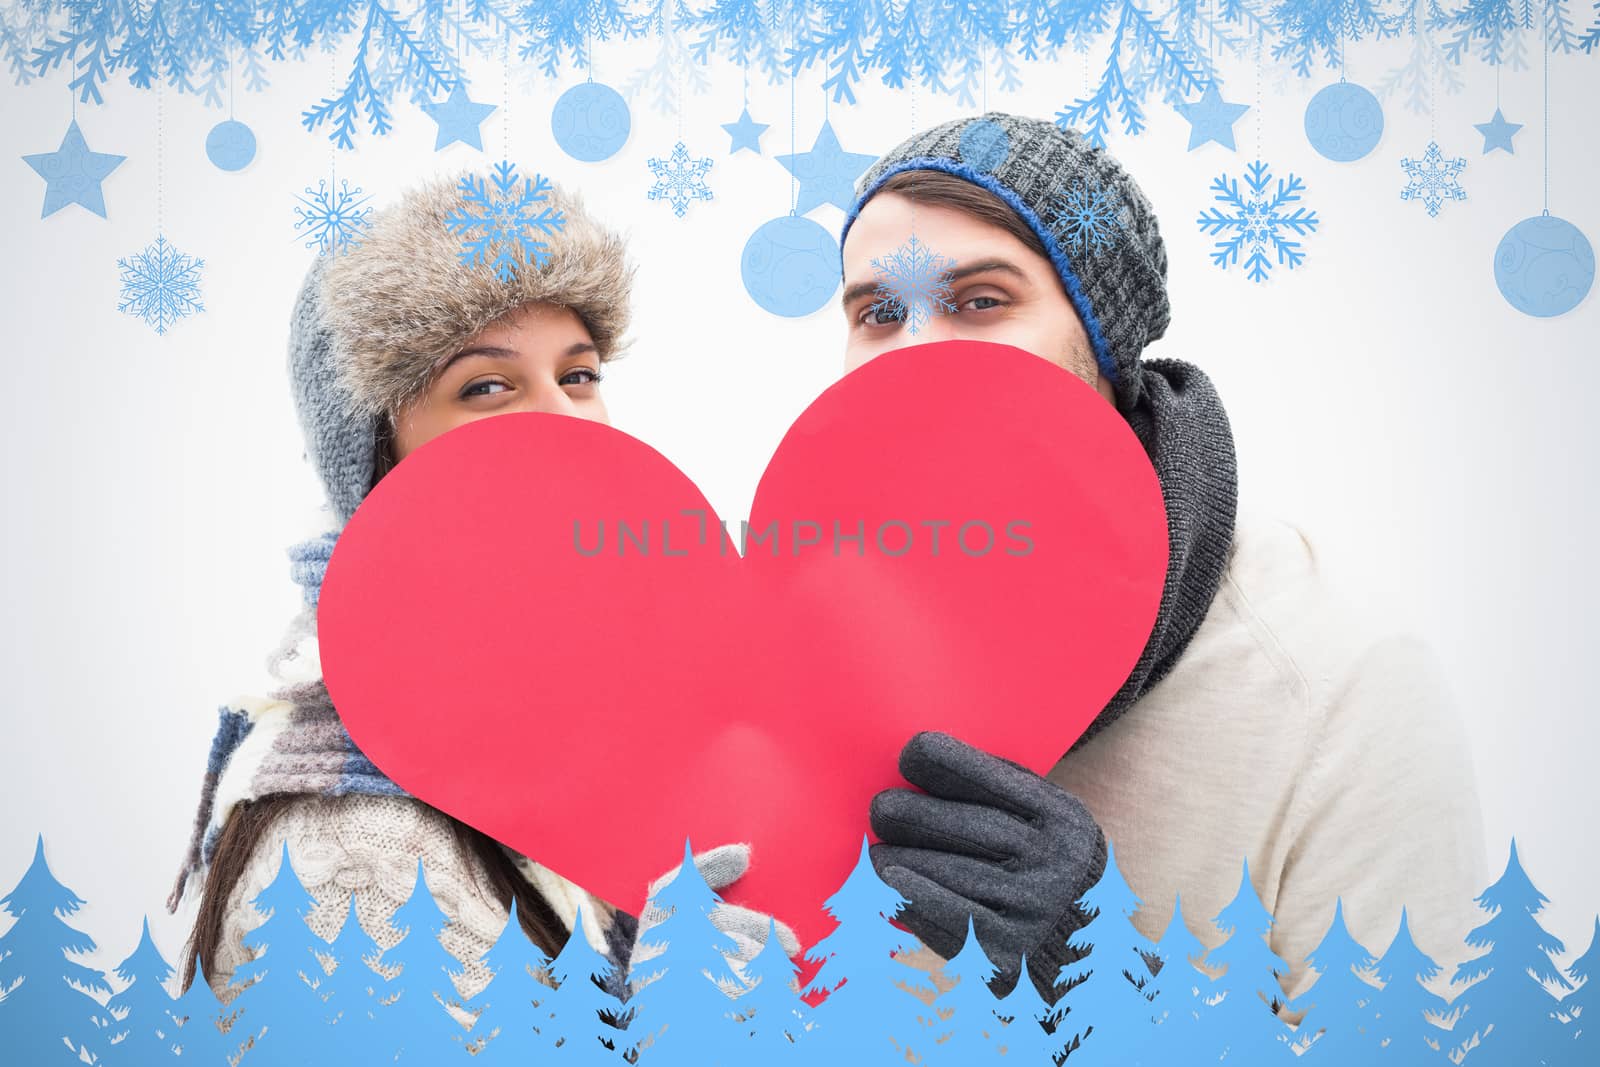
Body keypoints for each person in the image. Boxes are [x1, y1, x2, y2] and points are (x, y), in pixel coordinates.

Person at [838, 113, 1490, 1014]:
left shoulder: (1341, 689)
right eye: (878, 311)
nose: (915, 353)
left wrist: (1099, 988)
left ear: (1104, 346)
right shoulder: (808, 650)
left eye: (980, 301)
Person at [166, 172, 796, 1018]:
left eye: (578, 375)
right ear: (380, 465)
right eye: (486, 386)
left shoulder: (606, 750)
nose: (565, 420)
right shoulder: (354, 861)